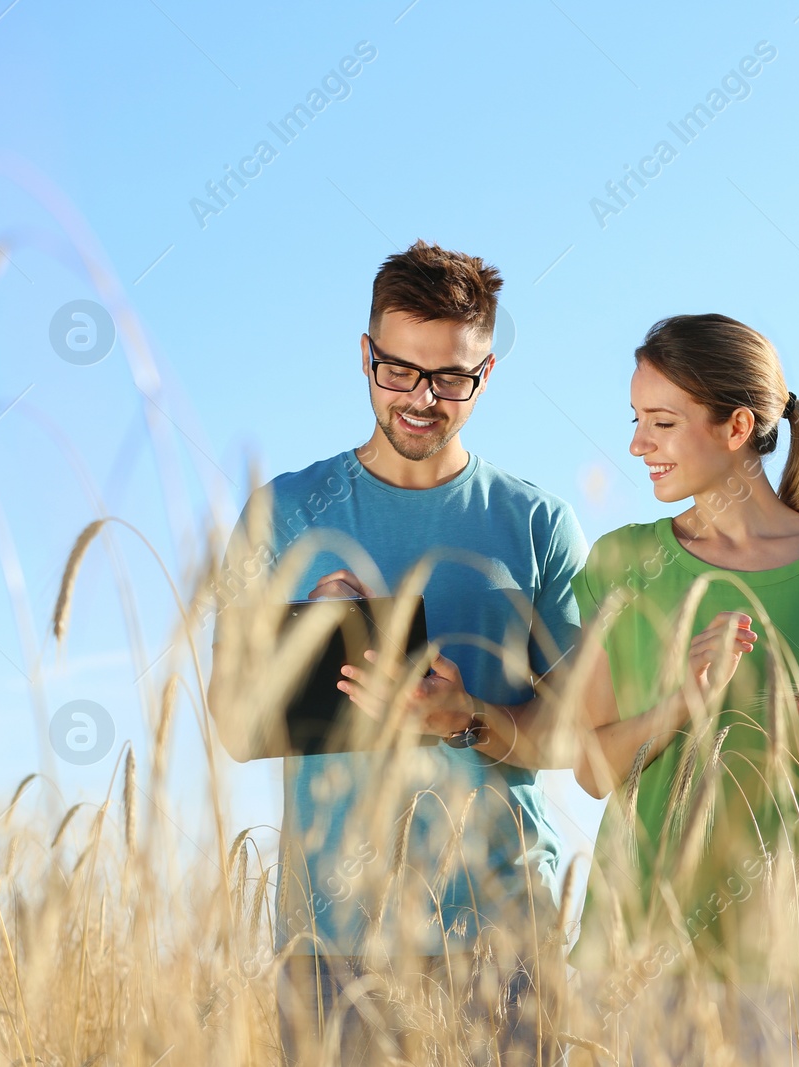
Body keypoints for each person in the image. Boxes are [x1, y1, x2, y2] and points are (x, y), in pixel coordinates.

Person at [209, 241, 585, 1065]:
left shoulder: (538, 523)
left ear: (485, 375)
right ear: (365, 355)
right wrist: (306, 638)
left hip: (503, 928)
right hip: (332, 937)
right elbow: (234, 726)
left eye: (450, 377)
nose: (421, 398)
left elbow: (579, 734)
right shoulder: (282, 512)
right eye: (398, 370)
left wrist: (468, 717)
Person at [566, 314, 799, 1063]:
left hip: (784, 965)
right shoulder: (621, 561)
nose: (636, 445)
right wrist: (684, 701)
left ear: (737, 427)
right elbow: (592, 769)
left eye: (662, 422)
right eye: (636, 421)